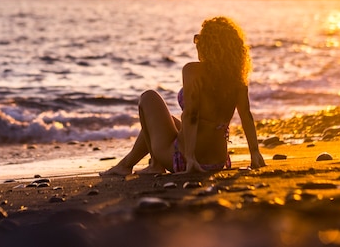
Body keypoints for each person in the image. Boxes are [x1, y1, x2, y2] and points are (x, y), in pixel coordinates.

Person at [101, 16, 265, 175]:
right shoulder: (237, 78)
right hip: (218, 161)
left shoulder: (193, 71)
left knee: (149, 97)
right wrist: (255, 152)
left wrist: (191, 158)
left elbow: (192, 115)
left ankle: (148, 165)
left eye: (199, 39)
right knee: (167, 120)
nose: (197, 44)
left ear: (208, 45)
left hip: (185, 161)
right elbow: (246, 115)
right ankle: (133, 164)